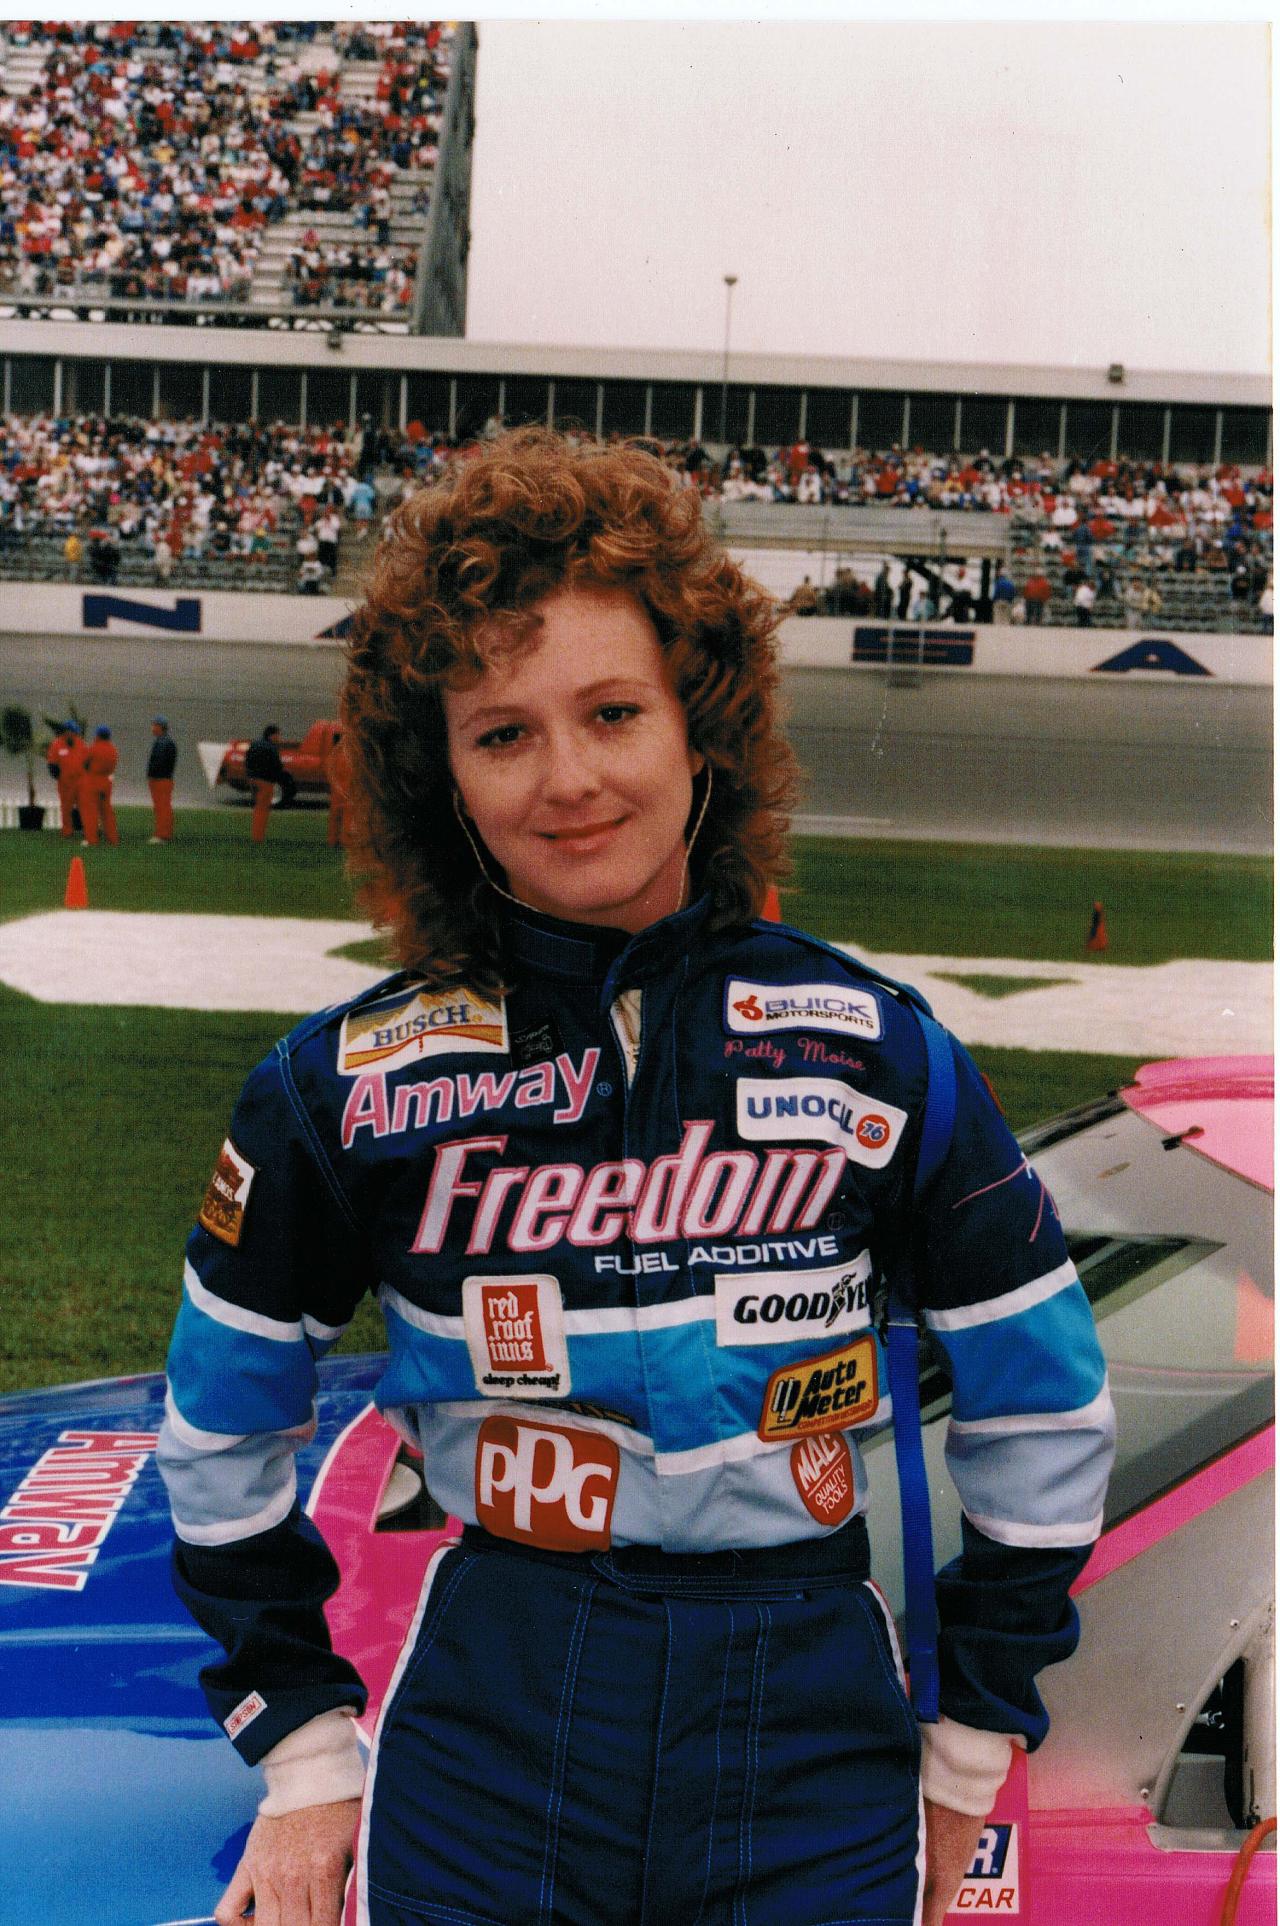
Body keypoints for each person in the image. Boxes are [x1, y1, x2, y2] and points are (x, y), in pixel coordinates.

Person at [157, 430, 1114, 1926]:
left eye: (613, 712)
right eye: (502, 734)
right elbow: (220, 1434)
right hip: (494, 1718)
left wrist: (970, 1742)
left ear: (699, 727)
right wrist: (302, 1752)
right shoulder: (338, 1087)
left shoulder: (879, 1053)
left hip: (811, 1730)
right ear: (441, 776)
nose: (570, 780)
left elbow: (1042, 1406)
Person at [244, 723, 297, 842]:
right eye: (278, 735)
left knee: (257, 808)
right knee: (263, 809)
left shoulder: (254, 744)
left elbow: (247, 760)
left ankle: (256, 835)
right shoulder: (271, 748)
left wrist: (250, 776)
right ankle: (258, 837)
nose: (279, 738)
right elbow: (277, 766)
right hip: (266, 782)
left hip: (253, 779)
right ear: (272, 735)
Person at [79, 724, 119, 846]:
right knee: (107, 810)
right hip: (107, 781)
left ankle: (91, 839)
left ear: (98, 735)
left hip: (93, 781)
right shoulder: (113, 749)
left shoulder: (93, 748)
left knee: (90, 811)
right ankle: (112, 838)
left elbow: (84, 763)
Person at [47, 719, 87, 839]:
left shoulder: (81, 743)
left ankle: (89, 829)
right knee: (66, 807)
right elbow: (52, 763)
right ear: (66, 732)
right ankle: (67, 830)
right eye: (72, 732)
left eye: (75, 733)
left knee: (85, 806)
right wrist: (57, 775)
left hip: (81, 781)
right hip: (65, 783)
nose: (73, 735)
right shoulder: (57, 744)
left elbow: (87, 761)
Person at [147, 715, 177, 843]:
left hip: (160, 780)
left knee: (161, 808)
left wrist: (152, 774)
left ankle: (162, 835)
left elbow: (158, 762)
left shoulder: (162, 743)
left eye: (154, 725)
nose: (152, 728)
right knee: (163, 807)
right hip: (164, 779)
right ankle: (165, 833)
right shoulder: (166, 741)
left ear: (160, 727)